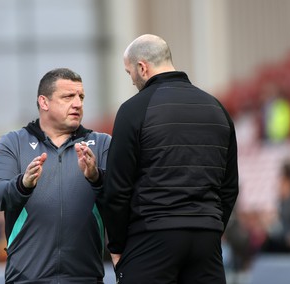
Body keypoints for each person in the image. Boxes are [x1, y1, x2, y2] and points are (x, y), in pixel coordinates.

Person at [102, 34, 239, 284]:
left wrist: (117, 246)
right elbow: (229, 186)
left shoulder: (133, 110)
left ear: (142, 67)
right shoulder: (217, 108)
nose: (132, 80)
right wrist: (212, 226)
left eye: (129, 72)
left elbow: (118, 189)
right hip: (206, 242)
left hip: (152, 237)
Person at [0, 68, 111, 284]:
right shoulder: (12, 143)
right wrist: (22, 185)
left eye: (81, 97)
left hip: (85, 277)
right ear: (44, 102)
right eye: (68, 97)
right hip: (26, 278)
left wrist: (97, 178)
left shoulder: (102, 144)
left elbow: (122, 196)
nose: (77, 104)